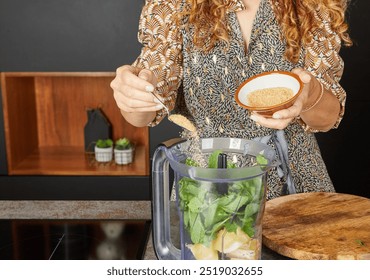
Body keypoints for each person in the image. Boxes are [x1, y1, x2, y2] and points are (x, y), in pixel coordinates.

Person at [110, 0, 352, 200]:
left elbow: (328, 118)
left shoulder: (316, 4)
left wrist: (309, 94)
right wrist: (133, 96)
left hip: (297, 181)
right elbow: (144, 111)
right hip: (207, 186)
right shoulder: (174, 4)